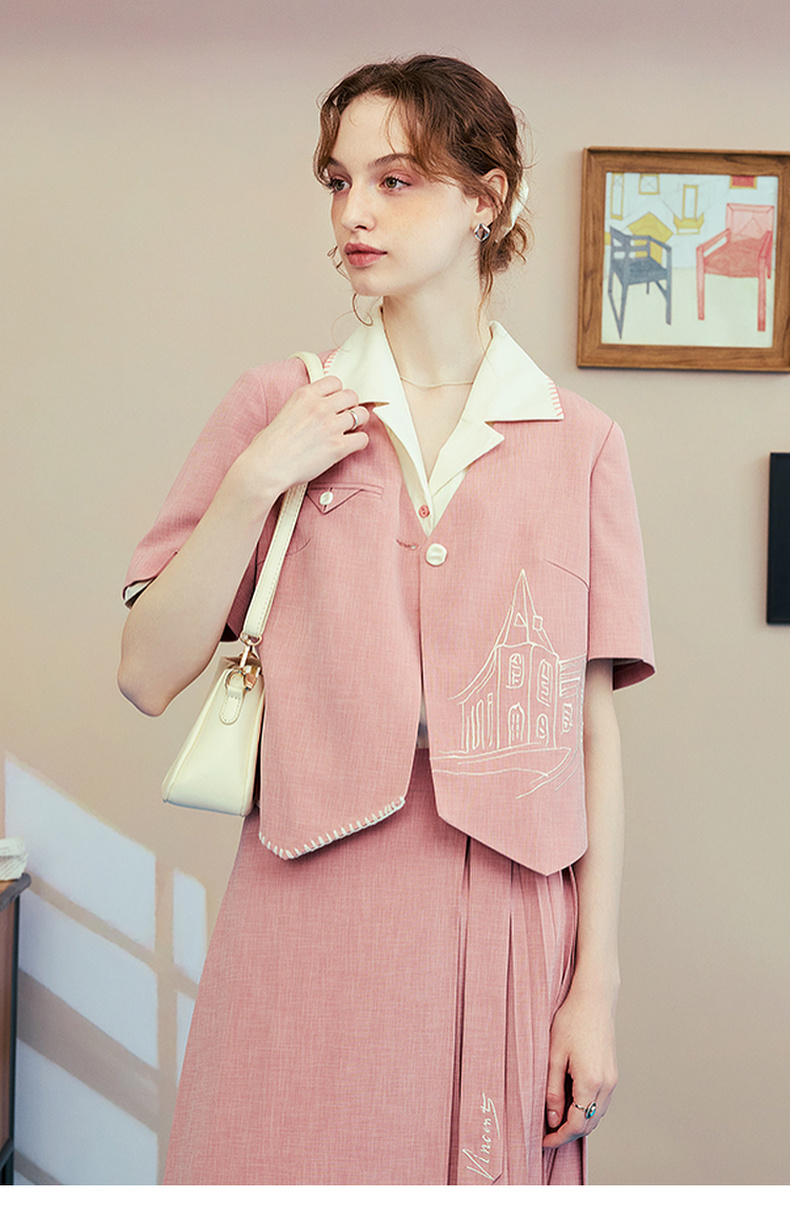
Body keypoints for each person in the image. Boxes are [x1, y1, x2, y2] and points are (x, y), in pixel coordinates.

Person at [118, 55, 654, 1186]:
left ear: (485, 197)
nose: (353, 211)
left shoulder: (580, 442)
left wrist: (594, 985)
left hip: (509, 911)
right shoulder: (277, 404)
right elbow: (144, 670)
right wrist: (256, 478)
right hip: (309, 903)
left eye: (396, 180)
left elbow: (590, 730)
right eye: (339, 180)